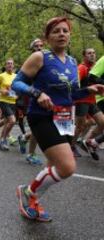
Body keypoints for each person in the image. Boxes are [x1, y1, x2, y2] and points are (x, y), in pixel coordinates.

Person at [12, 17, 104, 222]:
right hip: (41, 116)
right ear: (47, 37)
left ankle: (32, 197)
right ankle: (28, 193)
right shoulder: (40, 57)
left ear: (70, 36)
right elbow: (16, 84)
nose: (61, 34)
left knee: (52, 164)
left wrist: (87, 90)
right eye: (56, 31)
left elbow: (68, 96)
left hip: (64, 117)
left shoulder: (72, 63)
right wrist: (37, 94)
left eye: (65, 31)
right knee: (67, 167)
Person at [17, 38, 44, 165]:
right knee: (38, 128)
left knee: (39, 128)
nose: (39, 48)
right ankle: (31, 154)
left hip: (47, 97)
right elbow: (19, 82)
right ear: (32, 49)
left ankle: (24, 137)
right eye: (36, 46)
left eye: (41, 45)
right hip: (32, 98)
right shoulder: (30, 62)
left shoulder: (46, 60)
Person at [80, 55, 104, 160]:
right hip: (99, 97)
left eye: (94, 53)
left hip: (92, 100)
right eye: (89, 53)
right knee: (83, 124)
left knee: (99, 123)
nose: (93, 55)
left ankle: (91, 142)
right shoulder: (103, 59)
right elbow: (92, 77)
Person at [0, 59, 17, 151]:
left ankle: (0, 140)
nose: (10, 65)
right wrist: (2, 91)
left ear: (13, 66)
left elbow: (17, 88)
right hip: (4, 101)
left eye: (11, 64)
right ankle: (4, 140)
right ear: (5, 66)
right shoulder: (1, 76)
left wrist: (17, 94)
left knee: (6, 123)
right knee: (12, 121)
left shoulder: (16, 76)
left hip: (13, 102)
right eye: (8, 64)